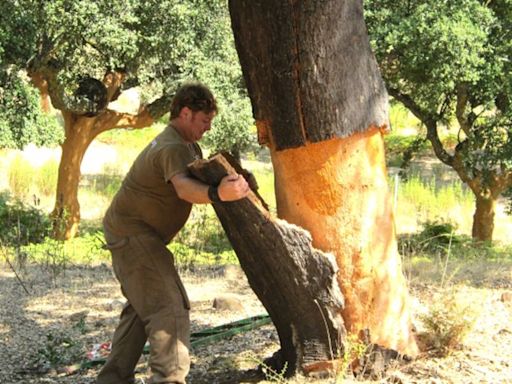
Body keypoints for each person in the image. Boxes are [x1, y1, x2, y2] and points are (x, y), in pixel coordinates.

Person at [97, 82, 250, 384]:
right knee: (169, 307)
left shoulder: (184, 143)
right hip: (134, 234)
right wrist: (219, 193)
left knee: (144, 309)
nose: (207, 128)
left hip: (131, 233)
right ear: (185, 113)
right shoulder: (172, 147)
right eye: (204, 120)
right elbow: (184, 188)